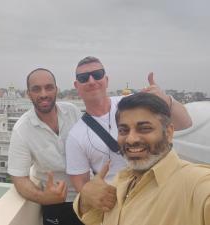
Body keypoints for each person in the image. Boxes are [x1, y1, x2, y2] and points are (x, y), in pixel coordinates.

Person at [73, 92, 210, 225]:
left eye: (144, 129)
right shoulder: (120, 181)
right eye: (123, 130)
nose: (131, 139)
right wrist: (85, 199)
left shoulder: (195, 183)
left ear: (168, 133)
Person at [66, 56, 192, 193]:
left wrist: (165, 100)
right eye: (84, 78)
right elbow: (82, 185)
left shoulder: (132, 104)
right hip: (120, 199)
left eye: (97, 75)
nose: (91, 81)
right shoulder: (75, 136)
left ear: (106, 80)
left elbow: (184, 123)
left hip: (161, 187)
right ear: (76, 86)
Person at [7, 68, 84, 225]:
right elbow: (19, 178)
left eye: (49, 87)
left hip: (87, 196)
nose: (43, 94)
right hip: (57, 203)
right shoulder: (22, 129)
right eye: (36, 89)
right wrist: (44, 198)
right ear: (28, 94)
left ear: (57, 90)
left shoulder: (73, 112)